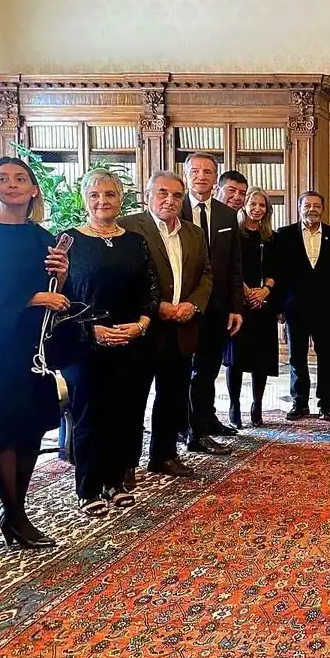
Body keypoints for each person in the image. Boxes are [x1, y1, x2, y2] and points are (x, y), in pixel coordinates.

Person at [62, 169, 159, 516]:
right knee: (90, 414)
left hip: (131, 341)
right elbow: (63, 296)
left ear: (121, 199)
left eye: (110, 195)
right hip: (85, 343)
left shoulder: (135, 240)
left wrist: (142, 324)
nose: (103, 201)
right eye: (95, 195)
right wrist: (92, 330)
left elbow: (151, 287)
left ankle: (117, 481)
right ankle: (89, 488)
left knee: (126, 413)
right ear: (85, 199)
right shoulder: (69, 240)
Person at [0, 157, 69, 549]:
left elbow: (57, 292)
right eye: (3, 179)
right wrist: (32, 297)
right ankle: (15, 515)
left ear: (33, 189)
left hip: (34, 350)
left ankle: (15, 509)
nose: (12, 185)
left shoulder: (42, 237)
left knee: (30, 428)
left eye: (20, 179)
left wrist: (62, 271)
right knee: (4, 432)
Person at [120, 171, 211, 478]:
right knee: (133, 399)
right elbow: (124, 279)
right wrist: (155, 306)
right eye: (162, 193)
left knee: (172, 396)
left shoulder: (194, 233)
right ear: (148, 196)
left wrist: (193, 305)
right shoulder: (130, 227)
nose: (169, 200)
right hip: (144, 329)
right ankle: (127, 462)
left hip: (182, 329)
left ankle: (164, 454)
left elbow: (206, 276)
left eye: (176, 195)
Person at [180, 153, 243, 453]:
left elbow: (234, 266)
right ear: (186, 173)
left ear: (215, 178)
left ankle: (200, 429)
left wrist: (235, 307)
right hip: (180, 307)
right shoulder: (172, 208)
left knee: (206, 371)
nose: (201, 176)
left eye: (207, 172)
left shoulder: (227, 215)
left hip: (217, 308)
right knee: (178, 372)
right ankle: (181, 427)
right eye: (195, 171)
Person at [273, 191, 330, 421]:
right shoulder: (284, 235)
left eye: (316, 205)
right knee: (296, 357)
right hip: (295, 308)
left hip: (326, 309)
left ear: (322, 208)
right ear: (299, 208)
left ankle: (325, 403)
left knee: (326, 358)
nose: (312, 209)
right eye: (307, 205)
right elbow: (279, 273)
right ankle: (299, 402)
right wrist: (279, 307)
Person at [223, 187, 278, 429]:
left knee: (261, 359)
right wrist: (247, 292)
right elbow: (231, 267)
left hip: (264, 304)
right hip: (239, 304)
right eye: (253, 204)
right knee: (236, 358)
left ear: (267, 210)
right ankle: (234, 404)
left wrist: (265, 290)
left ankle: (257, 404)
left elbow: (278, 270)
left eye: (262, 205)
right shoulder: (235, 234)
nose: (257, 209)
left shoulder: (271, 237)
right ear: (244, 205)